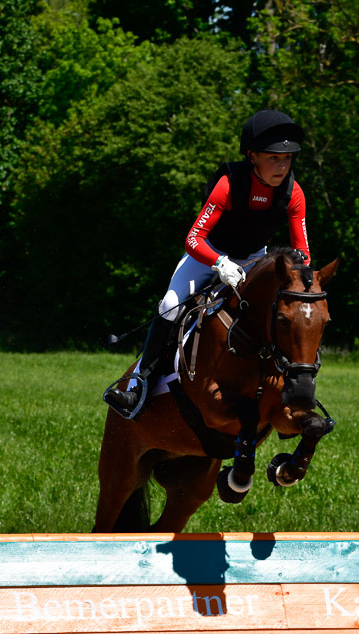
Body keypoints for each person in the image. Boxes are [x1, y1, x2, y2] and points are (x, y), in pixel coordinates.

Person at [104, 108, 311, 419]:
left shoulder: (293, 193)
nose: (282, 166)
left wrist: (300, 275)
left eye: (287, 159)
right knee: (170, 306)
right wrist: (220, 264)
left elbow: (302, 250)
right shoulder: (229, 184)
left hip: (256, 259)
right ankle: (138, 386)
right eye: (273, 158)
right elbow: (193, 239)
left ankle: (289, 386)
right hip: (209, 255)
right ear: (252, 156)